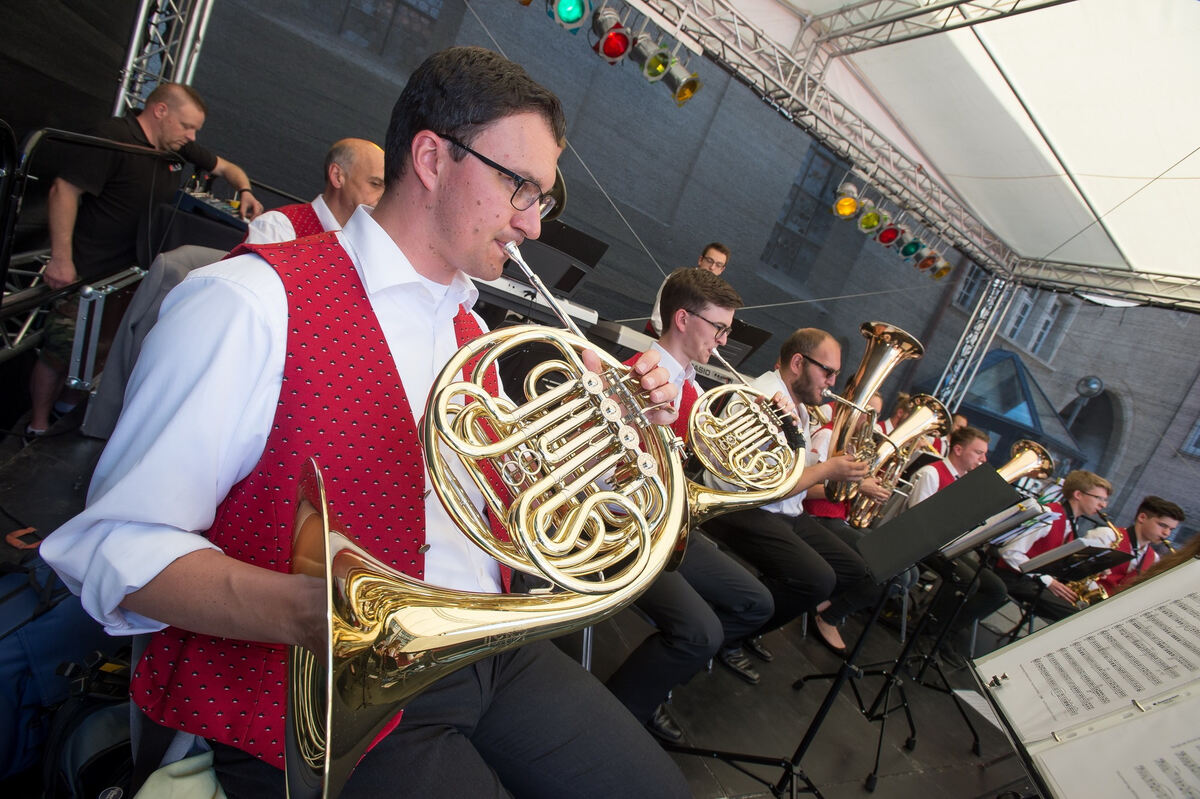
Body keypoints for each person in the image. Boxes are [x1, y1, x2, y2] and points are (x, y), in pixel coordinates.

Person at [41, 47, 690, 798]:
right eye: (520, 187)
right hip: (312, 692)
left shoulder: (470, 335)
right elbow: (113, 545)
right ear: (432, 158)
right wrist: (318, 612)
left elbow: (515, 508)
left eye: (542, 198)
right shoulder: (251, 303)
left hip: (484, 644)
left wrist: (615, 449)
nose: (533, 225)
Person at [27, 83, 264, 442]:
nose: (191, 136)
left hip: (129, 275)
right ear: (160, 111)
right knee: (61, 350)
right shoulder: (113, 137)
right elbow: (64, 190)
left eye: (195, 130)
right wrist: (62, 259)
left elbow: (229, 168)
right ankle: (37, 424)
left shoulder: (177, 148)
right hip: (87, 270)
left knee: (96, 356)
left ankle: (63, 416)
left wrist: (244, 190)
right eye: (187, 126)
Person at [605, 267, 774, 743]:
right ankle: (618, 715)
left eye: (727, 329)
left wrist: (760, 442)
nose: (724, 339)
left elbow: (716, 475)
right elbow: (603, 481)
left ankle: (658, 681)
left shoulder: (694, 388)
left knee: (754, 602)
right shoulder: (633, 376)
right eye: (719, 328)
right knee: (701, 634)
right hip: (626, 530)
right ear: (682, 318)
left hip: (672, 525)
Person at [701, 328, 872, 657]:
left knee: (852, 568)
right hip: (743, 509)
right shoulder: (760, 398)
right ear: (798, 362)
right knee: (818, 580)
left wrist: (843, 474)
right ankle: (725, 637)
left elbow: (794, 477)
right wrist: (827, 470)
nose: (833, 382)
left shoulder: (801, 407)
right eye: (828, 371)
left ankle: (750, 618)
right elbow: (761, 485)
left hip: (783, 509)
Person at [905, 426, 1010, 666]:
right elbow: (915, 520)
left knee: (996, 589)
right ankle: (925, 631)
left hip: (945, 544)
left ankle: (945, 633)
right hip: (921, 542)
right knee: (964, 580)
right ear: (959, 449)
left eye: (984, 454)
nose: (983, 459)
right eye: (978, 453)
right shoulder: (932, 472)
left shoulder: (964, 482)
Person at [995, 470, 1114, 623]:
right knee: (1074, 616)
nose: (1103, 505)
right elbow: (1010, 552)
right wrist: (1048, 581)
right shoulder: (1050, 516)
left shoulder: (1071, 523)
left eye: (1105, 500)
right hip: (1012, 576)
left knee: (1081, 610)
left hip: (1031, 580)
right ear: (1078, 494)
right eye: (1099, 498)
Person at [244, 138, 385, 243]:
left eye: (388, 188)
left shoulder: (369, 243)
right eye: (375, 184)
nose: (383, 196)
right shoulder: (276, 228)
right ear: (337, 176)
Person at [1096, 495, 1184, 596]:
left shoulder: (1154, 558)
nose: (1167, 533)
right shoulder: (1106, 536)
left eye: (1171, 529)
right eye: (1163, 525)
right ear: (1142, 517)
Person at [647, 241, 730, 335]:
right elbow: (657, 317)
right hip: (659, 337)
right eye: (709, 261)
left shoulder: (716, 295)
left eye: (718, 265)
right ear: (700, 260)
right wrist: (675, 341)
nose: (712, 267)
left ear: (722, 270)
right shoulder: (678, 278)